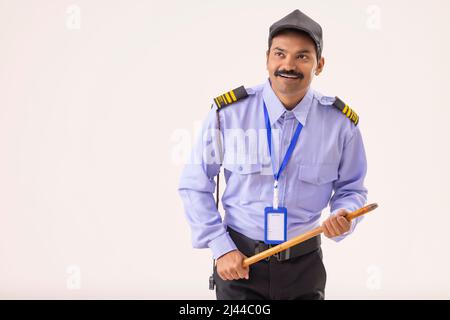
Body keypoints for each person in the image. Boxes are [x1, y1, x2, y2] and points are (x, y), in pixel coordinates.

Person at [178, 9, 368, 300]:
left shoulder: (341, 124)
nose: (288, 65)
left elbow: (352, 188)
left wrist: (346, 216)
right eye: (280, 54)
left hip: (305, 268)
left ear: (320, 65)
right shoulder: (228, 114)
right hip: (239, 264)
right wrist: (221, 246)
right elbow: (195, 183)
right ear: (267, 58)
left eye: (302, 56)